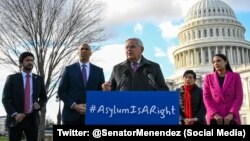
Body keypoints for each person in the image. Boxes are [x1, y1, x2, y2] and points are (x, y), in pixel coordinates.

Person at [2, 52, 47, 141]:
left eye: (32, 60)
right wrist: (15, 114)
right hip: (15, 119)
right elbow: (5, 99)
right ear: (21, 62)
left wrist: (39, 104)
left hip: (32, 119)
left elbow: (44, 97)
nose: (30, 62)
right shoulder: (12, 78)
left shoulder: (38, 79)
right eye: (27, 60)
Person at [58, 43, 105, 125]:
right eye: (82, 49)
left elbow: (100, 92)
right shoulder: (68, 69)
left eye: (87, 49)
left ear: (91, 53)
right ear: (78, 52)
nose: (84, 51)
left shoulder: (99, 71)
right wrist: (74, 106)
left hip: (92, 115)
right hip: (70, 116)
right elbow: (61, 91)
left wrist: (90, 105)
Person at [102, 37, 169, 91]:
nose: (129, 49)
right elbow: (111, 89)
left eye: (132, 47)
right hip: (123, 106)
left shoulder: (154, 67)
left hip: (147, 106)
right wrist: (107, 89)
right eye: (127, 47)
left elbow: (164, 89)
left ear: (141, 49)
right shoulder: (117, 68)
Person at [203, 54, 243, 125]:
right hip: (215, 117)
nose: (216, 63)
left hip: (231, 116)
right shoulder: (208, 78)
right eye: (214, 62)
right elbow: (206, 97)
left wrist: (231, 114)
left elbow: (239, 97)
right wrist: (214, 114)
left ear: (226, 62)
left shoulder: (235, 76)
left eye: (218, 61)